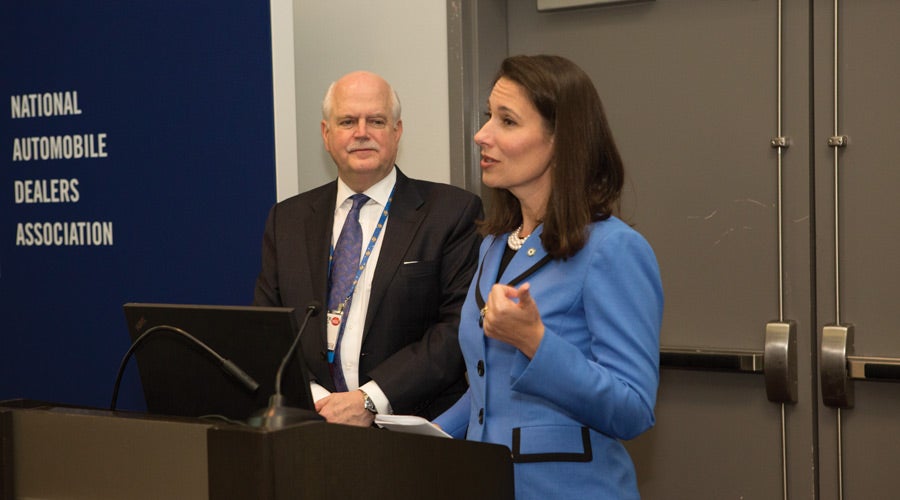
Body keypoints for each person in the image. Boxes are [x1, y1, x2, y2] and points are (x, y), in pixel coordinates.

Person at [433, 55, 663, 499]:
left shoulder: (612, 249)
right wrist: (426, 438)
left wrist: (536, 342)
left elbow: (633, 409)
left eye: (508, 121)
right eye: (488, 117)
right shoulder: (494, 245)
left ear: (562, 141)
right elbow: (490, 391)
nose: (482, 135)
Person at [254, 70, 483, 427]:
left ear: (397, 132)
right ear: (326, 135)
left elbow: (456, 330)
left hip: (414, 434)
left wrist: (370, 400)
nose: (362, 132)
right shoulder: (288, 219)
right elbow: (268, 327)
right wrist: (318, 401)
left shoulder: (451, 212)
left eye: (376, 120)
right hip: (313, 429)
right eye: (347, 121)